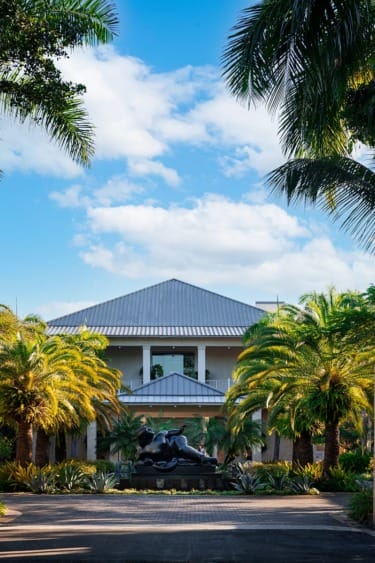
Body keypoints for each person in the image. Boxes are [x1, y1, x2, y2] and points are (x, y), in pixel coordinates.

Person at [136, 425, 217, 465]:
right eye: (147, 430)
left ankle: (203, 458)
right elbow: (140, 462)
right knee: (183, 458)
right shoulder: (145, 451)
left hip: (176, 440)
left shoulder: (160, 435)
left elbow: (170, 432)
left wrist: (179, 431)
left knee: (182, 448)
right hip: (173, 454)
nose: (149, 429)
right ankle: (199, 461)